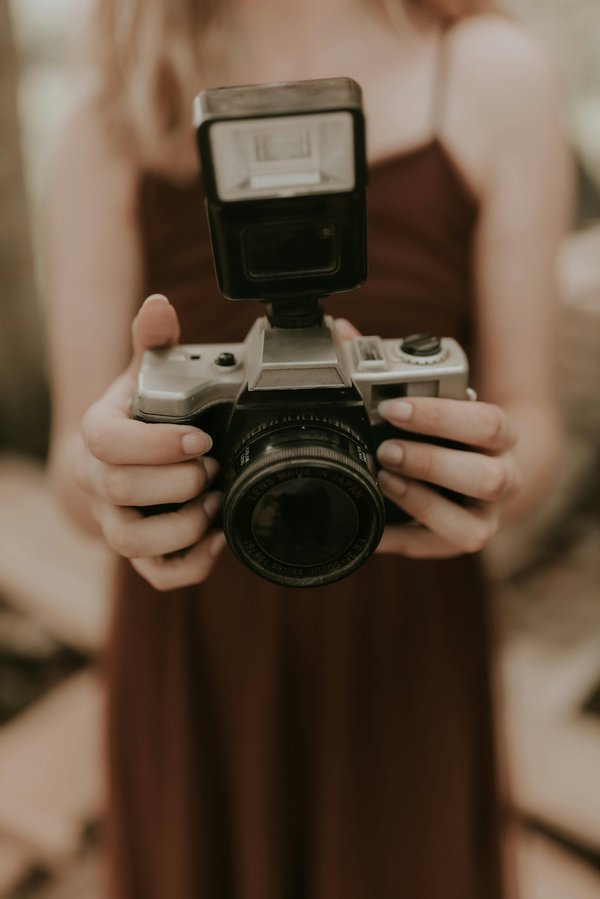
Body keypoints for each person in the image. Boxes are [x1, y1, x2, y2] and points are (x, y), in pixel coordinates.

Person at [47, 0, 572, 896]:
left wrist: (488, 473)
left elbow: (534, 422)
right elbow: (72, 458)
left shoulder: (494, 77)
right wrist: (114, 474)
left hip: (405, 642)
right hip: (196, 646)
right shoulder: (111, 113)